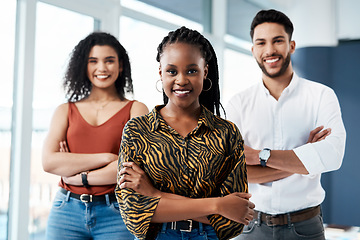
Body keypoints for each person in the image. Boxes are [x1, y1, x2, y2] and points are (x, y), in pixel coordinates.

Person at [115, 26, 255, 240]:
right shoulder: (137, 131)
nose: (181, 80)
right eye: (172, 71)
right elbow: (133, 214)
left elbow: (234, 218)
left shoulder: (226, 133)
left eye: (191, 70)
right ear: (160, 73)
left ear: (204, 72)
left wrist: (155, 195)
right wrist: (217, 204)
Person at [226, 9, 346, 240]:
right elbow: (233, 172)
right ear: (253, 50)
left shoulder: (321, 96)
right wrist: (305, 158)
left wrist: (259, 156)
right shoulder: (238, 104)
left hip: (305, 227)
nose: (269, 50)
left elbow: (332, 156)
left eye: (277, 41)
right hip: (250, 227)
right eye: (261, 43)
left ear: (291, 45)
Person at [42, 32, 149, 239]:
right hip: (66, 210)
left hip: (117, 212)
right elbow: (49, 162)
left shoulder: (137, 110)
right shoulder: (65, 110)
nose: (102, 68)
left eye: (109, 61)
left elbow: (132, 168)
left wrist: (75, 174)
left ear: (120, 66)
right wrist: (107, 158)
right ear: (85, 66)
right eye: (93, 61)